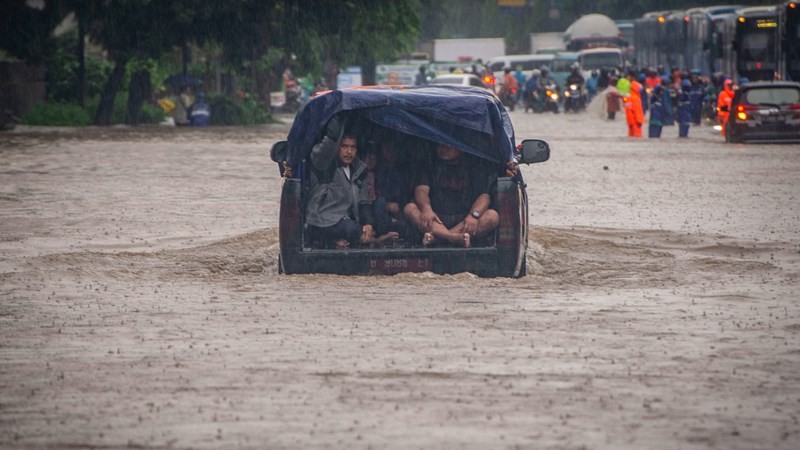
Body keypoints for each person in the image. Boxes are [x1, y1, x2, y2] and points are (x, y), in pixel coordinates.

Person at [404, 143, 499, 248]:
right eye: (439, 146)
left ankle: (438, 240)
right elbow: (421, 190)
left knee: (492, 216)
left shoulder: (473, 165)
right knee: (409, 208)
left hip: (464, 220)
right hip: (436, 219)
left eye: (448, 146)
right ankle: (453, 238)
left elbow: (484, 196)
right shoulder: (430, 163)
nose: (443, 149)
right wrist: (427, 209)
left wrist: (473, 215)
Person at [305, 115, 377, 249]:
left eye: (353, 147)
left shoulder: (359, 170)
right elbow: (329, 143)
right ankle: (376, 240)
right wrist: (338, 114)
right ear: (337, 148)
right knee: (353, 230)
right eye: (344, 146)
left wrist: (369, 224)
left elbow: (364, 201)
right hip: (322, 222)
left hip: (347, 222)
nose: (349, 151)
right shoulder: (325, 165)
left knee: (374, 222)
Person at [624, 70, 644, 138]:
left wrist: (638, 120)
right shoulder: (629, 95)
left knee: (636, 136)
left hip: (634, 122)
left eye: (628, 76)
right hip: (631, 122)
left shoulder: (634, 98)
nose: (627, 78)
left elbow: (637, 110)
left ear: (632, 77)